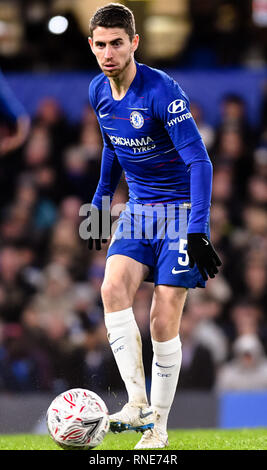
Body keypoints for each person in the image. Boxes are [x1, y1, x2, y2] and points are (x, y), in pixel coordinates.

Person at [86, 3, 221, 449]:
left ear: (134, 43)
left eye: (117, 43)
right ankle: (137, 403)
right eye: (101, 44)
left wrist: (198, 230)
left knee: (164, 319)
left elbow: (200, 161)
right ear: (92, 45)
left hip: (181, 213)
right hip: (140, 210)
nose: (109, 52)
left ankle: (157, 428)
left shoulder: (163, 91)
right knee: (111, 290)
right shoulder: (98, 93)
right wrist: (101, 201)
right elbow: (112, 145)